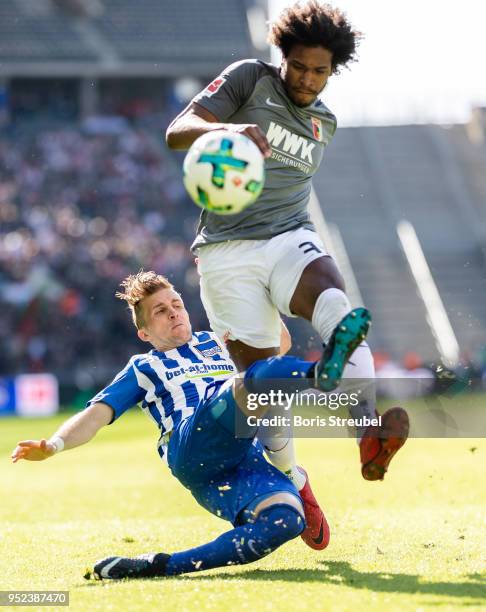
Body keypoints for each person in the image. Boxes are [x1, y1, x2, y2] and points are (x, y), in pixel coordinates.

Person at [166, 0, 409, 492]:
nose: (306, 78)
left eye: (319, 71)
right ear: (283, 57)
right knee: (261, 388)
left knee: (335, 303)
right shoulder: (248, 79)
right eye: (297, 66)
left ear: (332, 71)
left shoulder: (327, 124)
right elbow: (177, 132)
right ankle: (296, 485)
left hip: (288, 237)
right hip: (224, 252)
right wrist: (226, 129)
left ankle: (365, 431)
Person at [11, 270, 372, 578]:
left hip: (240, 457)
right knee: (258, 378)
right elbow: (95, 416)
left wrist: (254, 290)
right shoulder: (144, 367)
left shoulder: (217, 342)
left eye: (177, 305)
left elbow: (277, 342)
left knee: (285, 521)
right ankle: (323, 378)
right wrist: (53, 445)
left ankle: (163, 566)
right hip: (193, 444)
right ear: (145, 333)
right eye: (160, 312)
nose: (173, 314)